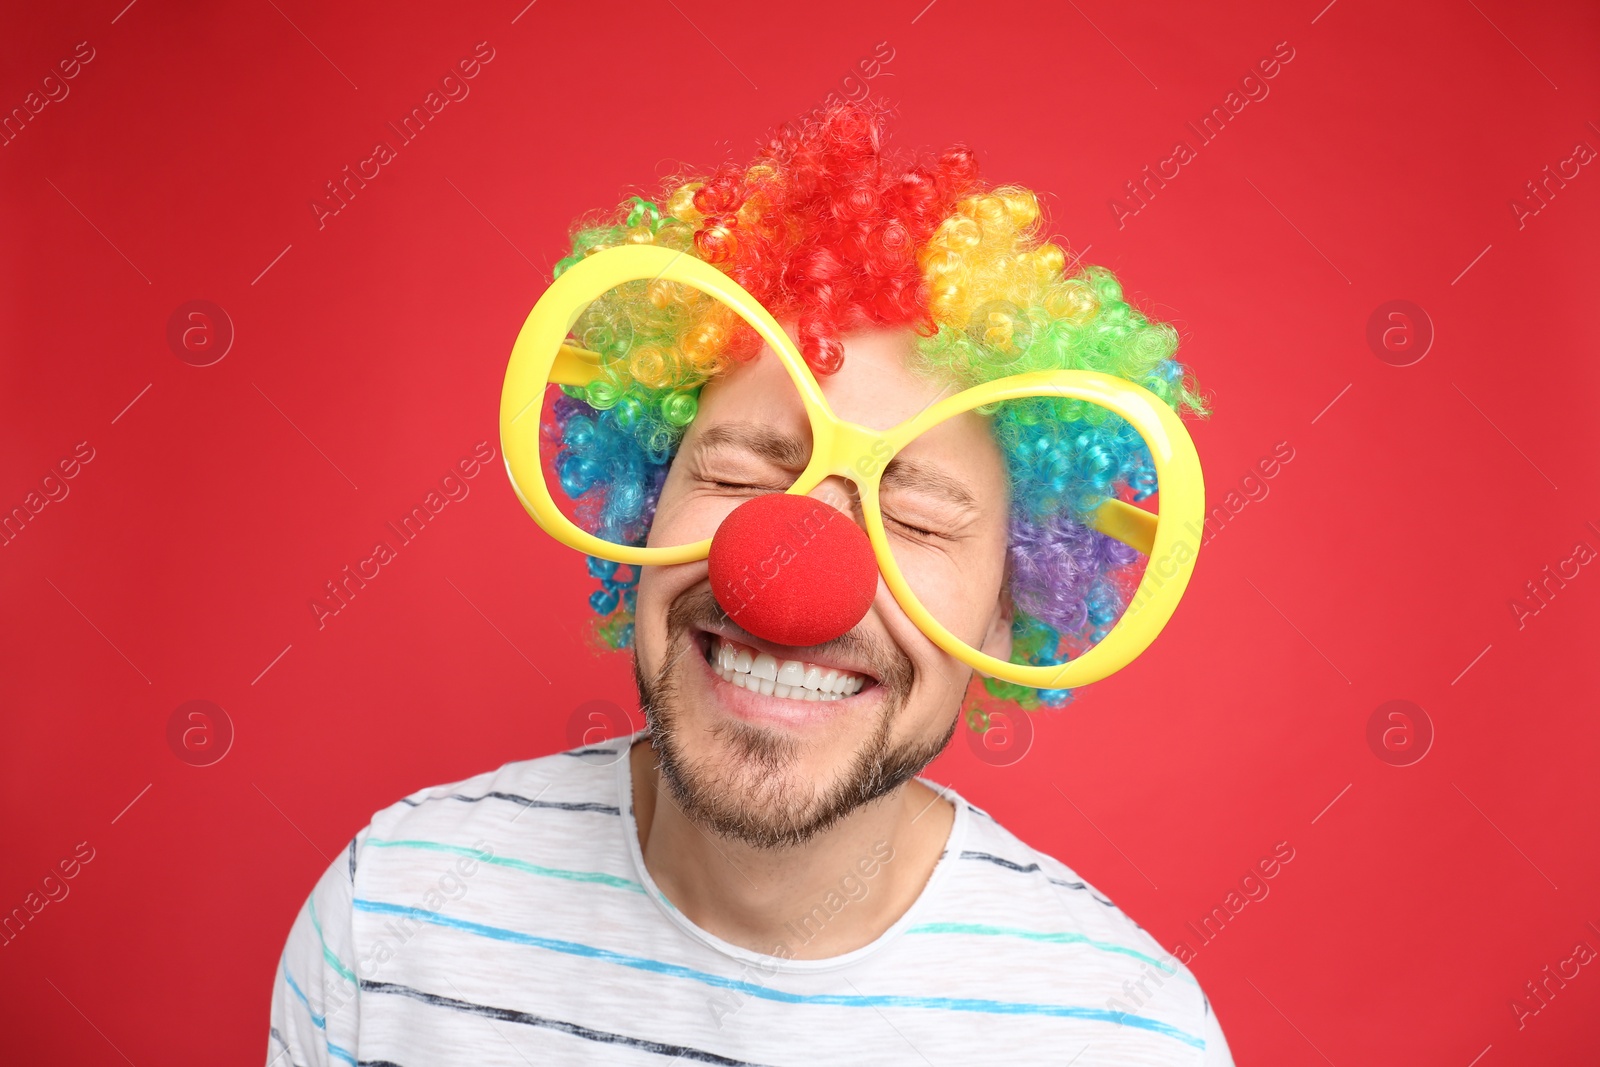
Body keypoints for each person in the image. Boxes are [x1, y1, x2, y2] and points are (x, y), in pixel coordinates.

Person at [269, 100, 1232, 1066]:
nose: (791, 571)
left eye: (921, 517)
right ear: (647, 499)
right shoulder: (387, 919)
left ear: (1012, 600)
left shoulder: (1127, 1034)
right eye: (739, 475)